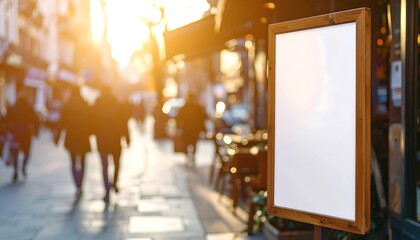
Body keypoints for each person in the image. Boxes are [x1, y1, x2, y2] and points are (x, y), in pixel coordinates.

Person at [92, 86, 130, 202]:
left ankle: (107, 190)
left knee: (104, 166)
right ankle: (115, 182)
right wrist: (127, 137)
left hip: (102, 140)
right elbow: (124, 122)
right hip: (115, 139)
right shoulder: (117, 104)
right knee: (117, 163)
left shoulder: (97, 105)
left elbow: (91, 122)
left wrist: (92, 133)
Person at [60, 87, 91, 198]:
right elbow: (90, 122)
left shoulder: (67, 105)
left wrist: (58, 136)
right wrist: (91, 133)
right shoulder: (85, 104)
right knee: (82, 162)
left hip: (71, 137)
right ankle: (80, 183)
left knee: (73, 162)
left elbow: (62, 122)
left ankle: (76, 184)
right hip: (83, 137)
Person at [4, 88, 39, 182]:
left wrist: (7, 131)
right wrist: (36, 131)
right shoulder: (29, 107)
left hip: (15, 133)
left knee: (15, 152)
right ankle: (23, 165)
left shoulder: (13, 107)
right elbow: (35, 120)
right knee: (27, 152)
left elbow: (6, 120)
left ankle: (16, 170)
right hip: (27, 132)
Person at [176, 92, 207, 165]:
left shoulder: (186, 107)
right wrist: (203, 129)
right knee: (192, 142)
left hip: (189, 128)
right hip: (192, 129)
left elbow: (179, 118)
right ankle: (191, 155)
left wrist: (178, 127)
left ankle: (189, 155)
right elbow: (202, 119)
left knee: (189, 142)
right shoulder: (196, 107)